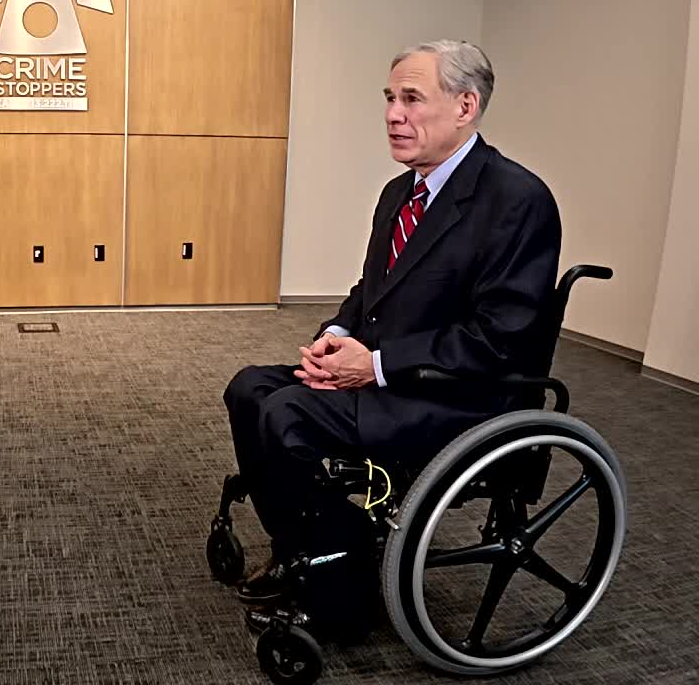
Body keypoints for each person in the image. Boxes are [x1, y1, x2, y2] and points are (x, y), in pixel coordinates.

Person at [223, 40, 561, 630]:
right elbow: (369, 292)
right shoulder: (398, 193)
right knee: (249, 389)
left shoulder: (517, 200)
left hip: (460, 397)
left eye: (411, 98)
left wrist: (375, 366)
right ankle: (300, 547)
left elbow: (497, 338)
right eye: (388, 98)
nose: (392, 114)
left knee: (289, 416)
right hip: (390, 374)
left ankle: (341, 586)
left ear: (465, 106)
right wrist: (334, 337)